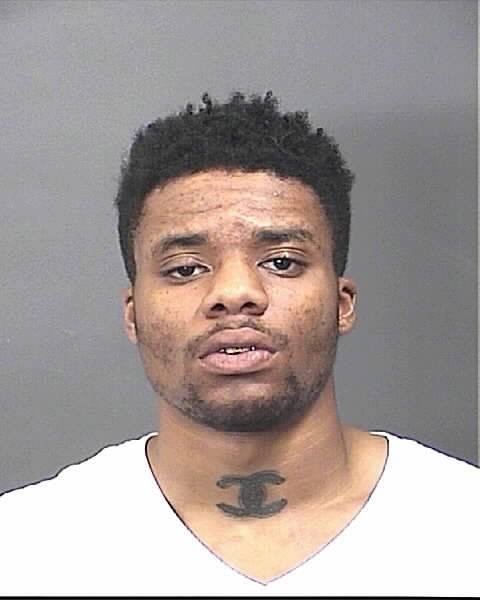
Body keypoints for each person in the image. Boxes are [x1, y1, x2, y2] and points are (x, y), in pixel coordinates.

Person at [1, 91, 478, 597]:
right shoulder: (24, 549)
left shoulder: (463, 527)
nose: (234, 293)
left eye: (281, 262)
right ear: (133, 313)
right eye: (185, 269)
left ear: (342, 304)